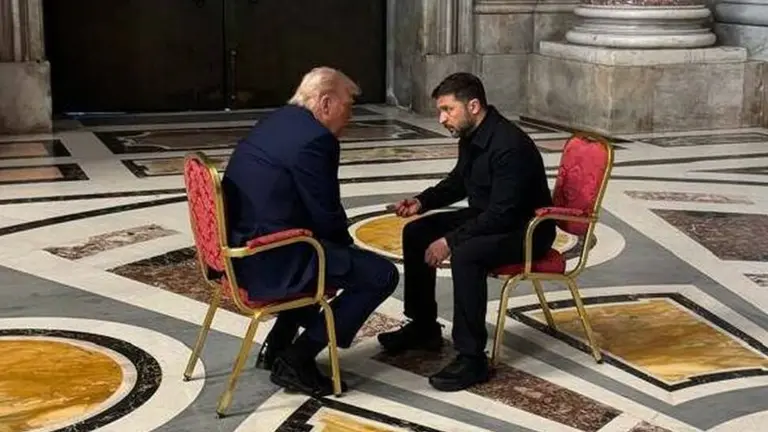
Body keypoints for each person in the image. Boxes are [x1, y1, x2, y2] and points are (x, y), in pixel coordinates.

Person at [222, 67, 399, 397]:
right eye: (349, 105)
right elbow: (326, 212)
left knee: (324, 255)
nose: (351, 116)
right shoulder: (316, 140)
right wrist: (350, 255)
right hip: (270, 259)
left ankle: (276, 345)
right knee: (379, 275)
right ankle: (297, 357)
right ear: (326, 102)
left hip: (241, 249)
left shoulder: (278, 121)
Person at [377, 72, 556, 392]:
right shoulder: (472, 135)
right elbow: (459, 181)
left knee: (467, 254)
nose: (442, 118)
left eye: (448, 110)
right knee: (416, 233)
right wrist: (422, 202)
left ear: (473, 106)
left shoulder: (509, 146)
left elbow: (504, 213)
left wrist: (450, 240)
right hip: (491, 217)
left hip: (525, 229)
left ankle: (472, 357)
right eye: (441, 111)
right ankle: (423, 327)